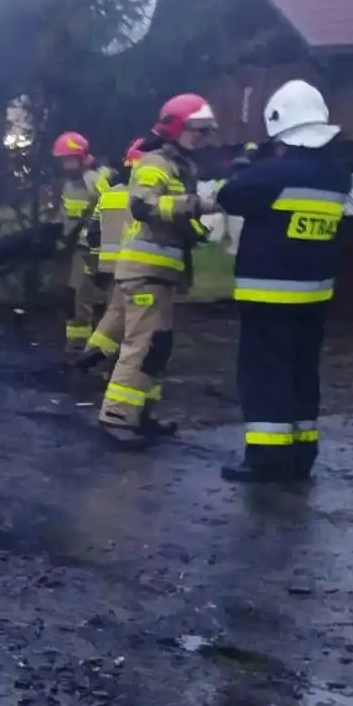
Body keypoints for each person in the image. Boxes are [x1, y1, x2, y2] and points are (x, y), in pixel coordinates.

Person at [211, 79, 351, 483]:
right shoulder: (338, 177)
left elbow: (230, 196)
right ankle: (302, 452)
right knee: (302, 372)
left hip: (269, 295)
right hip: (315, 293)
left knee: (264, 373)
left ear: (282, 133)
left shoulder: (271, 174)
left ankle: (267, 459)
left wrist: (246, 167)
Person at [97, 94, 221, 448]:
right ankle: (116, 416)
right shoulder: (156, 162)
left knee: (158, 346)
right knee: (142, 344)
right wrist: (200, 205)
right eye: (195, 129)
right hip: (145, 270)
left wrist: (196, 226)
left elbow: (173, 219)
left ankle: (142, 413)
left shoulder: (179, 165)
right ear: (175, 126)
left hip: (161, 271)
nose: (201, 136)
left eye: (205, 131)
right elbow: (143, 205)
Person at [76, 139, 141, 372]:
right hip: (141, 270)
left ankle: (92, 360)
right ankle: (115, 367)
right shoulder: (151, 199)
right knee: (134, 323)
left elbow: (93, 233)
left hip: (109, 270)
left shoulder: (109, 196)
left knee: (112, 316)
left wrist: (96, 263)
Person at [54, 131, 107, 354]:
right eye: (63, 160)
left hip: (95, 250)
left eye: (70, 159)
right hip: (74, 248)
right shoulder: (69, 185)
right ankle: (78, 346)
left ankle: (81, 350)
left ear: (82, 157)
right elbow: (64, 216)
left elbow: (111, 213)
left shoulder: (97, 182)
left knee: (83, 299)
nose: (66, 165)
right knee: (71, 297)